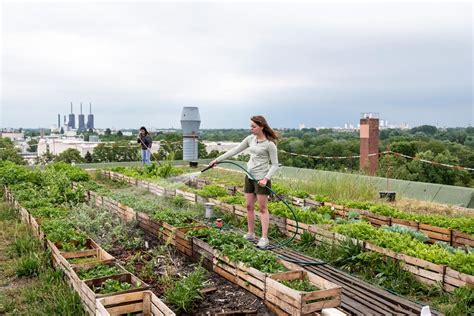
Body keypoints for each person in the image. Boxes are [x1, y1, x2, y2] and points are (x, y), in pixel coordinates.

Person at [209, 115, 279, 248]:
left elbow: (275, 165)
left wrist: (266, 178)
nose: (251, 128)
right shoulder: (250, 139)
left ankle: (264, 238)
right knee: (249, 206)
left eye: (253, 126)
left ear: (261, 127)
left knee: (263, 209)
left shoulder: (270, 144)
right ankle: (251, 233)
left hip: (261, 180)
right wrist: (217, 160)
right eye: (250, 126)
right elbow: (235, 150)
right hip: (249, 177)